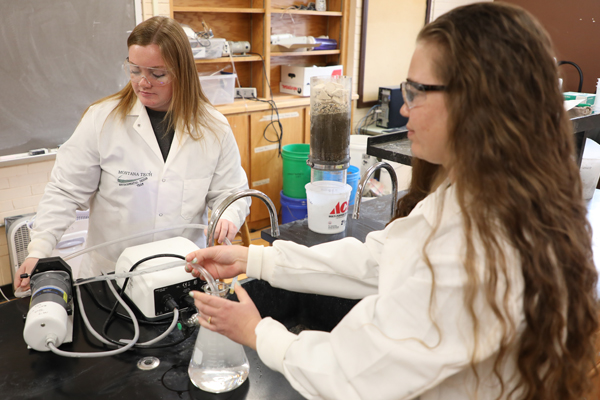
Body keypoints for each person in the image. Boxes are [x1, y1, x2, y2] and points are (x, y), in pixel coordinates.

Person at [185, 3, 598, 399]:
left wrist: (258, 333)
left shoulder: (480, 245)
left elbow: (353, 373)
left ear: (477, 101)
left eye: (417, 90)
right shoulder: (480, 192)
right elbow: (378, 262)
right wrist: (253, 259)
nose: (403, 106)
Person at [14, 16, 250, 289]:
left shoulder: (213, 127)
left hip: (182, 272)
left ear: (181, 71)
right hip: (112, 278)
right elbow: (65, 191)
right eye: (135, 69)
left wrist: (229, 216)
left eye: (157, 74)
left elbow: (232, 192)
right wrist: (38, 251)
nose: (142, 82)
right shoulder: (102, 119)